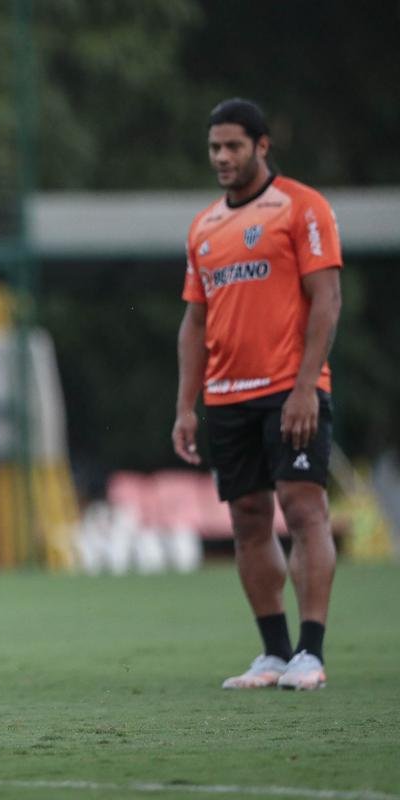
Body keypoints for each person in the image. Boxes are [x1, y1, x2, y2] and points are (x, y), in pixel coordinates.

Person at [172, 99, 342, 691]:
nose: (222, 157)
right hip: (225, 398)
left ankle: (310, 653)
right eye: (215, 147)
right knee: (248, 520)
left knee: (303, 510)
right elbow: (194, 323)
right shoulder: (204, 226)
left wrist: (305, 389)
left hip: (288, 391)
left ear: (262, 146)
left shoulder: (302, 207)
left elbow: (327, 300)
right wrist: (185, 407)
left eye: (233, 147)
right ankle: (273, 652)